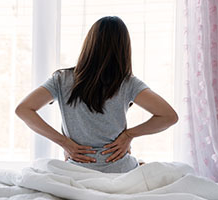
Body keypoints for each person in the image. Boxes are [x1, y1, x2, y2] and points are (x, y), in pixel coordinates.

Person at [15, 16, 178, 173]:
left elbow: (23, 109)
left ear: (89, 43)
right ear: (124, 48)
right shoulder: (128, 83)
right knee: (146, 166)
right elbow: (169, 116)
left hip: (77, 169)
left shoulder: (62, 79)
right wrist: (129, 135)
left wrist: (64, 143)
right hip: (118, 170)